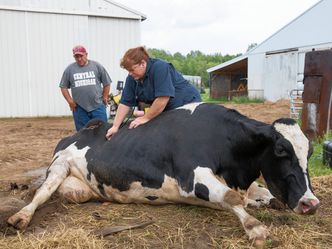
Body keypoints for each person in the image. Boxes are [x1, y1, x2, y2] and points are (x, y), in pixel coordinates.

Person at [106, 46, 201, 139]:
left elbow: (163, 99)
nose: (130, 73)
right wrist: (115, 126)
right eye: (128, 71)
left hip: (188, 104)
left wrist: (144, 118)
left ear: (142, 63)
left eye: (132, 69)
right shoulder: (132, 78)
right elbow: (125, 103)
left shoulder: (160, 67)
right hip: (167, 109)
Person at [59, 45, 112, 131]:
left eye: (81, 56)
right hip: (79, 108)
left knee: (103, 131)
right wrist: (70, 101)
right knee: (82, 134)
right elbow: (63, 87)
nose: (79, 59)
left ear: (86, 54)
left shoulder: (97, 66)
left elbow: (107, 83)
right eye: (76, 56)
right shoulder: (70, 69)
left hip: (97, 106)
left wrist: (105, 97)